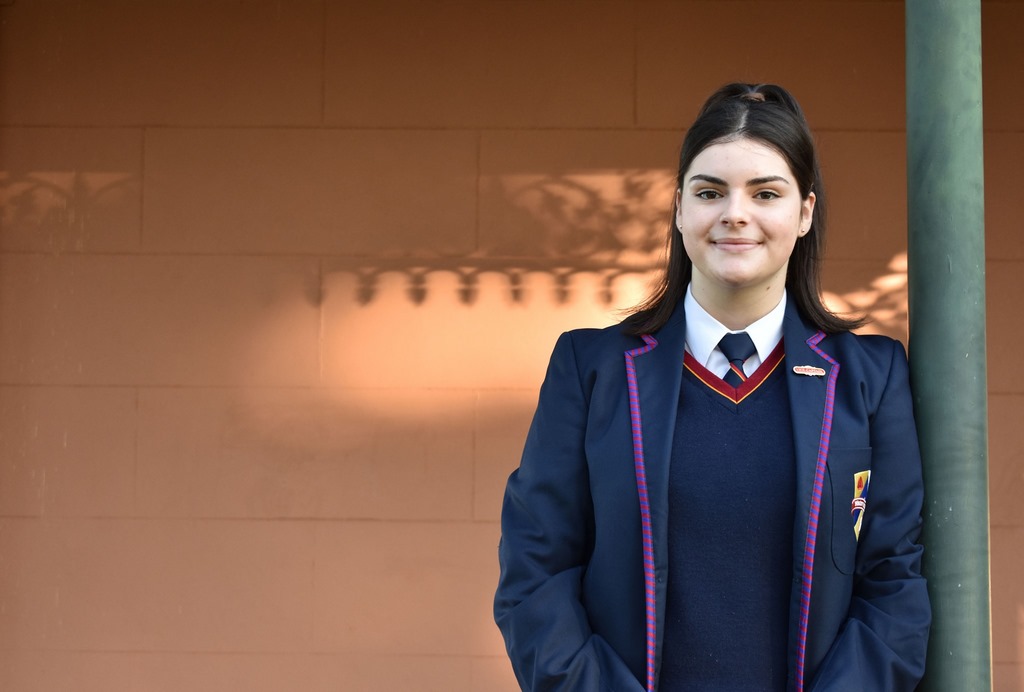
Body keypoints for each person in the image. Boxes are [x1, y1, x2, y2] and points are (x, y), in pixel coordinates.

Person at [493, 83, 930, 692]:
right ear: (678, 208)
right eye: (709, 192)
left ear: (804, 212)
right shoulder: (590, 368)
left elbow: (894, 583)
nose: (735, 214)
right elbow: (536, 573)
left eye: (765, 193)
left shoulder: (871, 376)